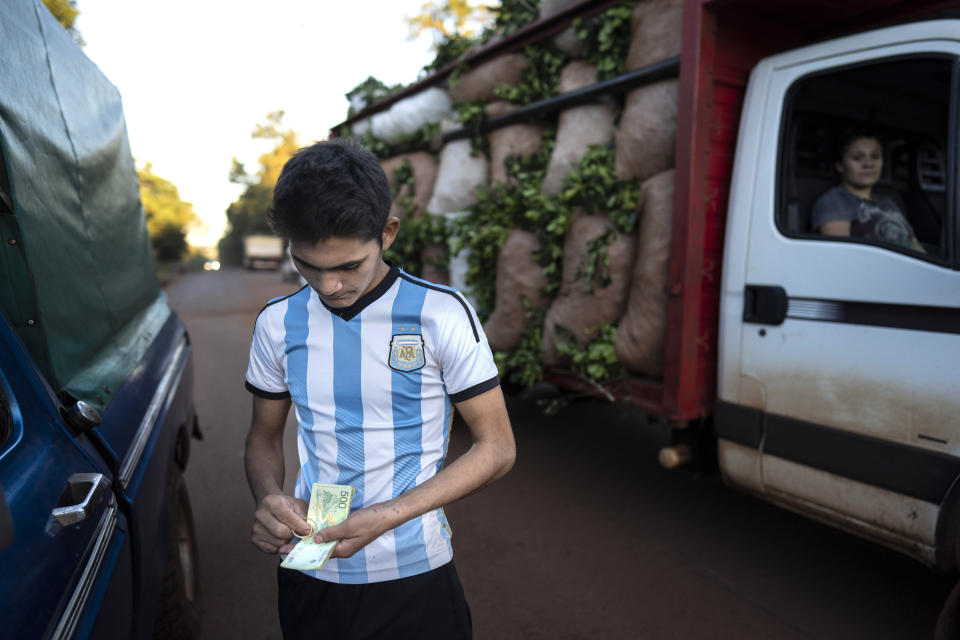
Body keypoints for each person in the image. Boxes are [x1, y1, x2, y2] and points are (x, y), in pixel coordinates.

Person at [243, 138, 516, 639]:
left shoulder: (440, 314)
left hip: (415, 575)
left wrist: (384, 518)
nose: (329, 287)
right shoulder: (277, 324)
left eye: (348, 266)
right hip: (311, 571)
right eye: (309, 265)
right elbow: (262, 438)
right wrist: (270, 498)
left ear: (387, 233)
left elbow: (497, 448)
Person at [811, 132, 923, 252]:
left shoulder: (889, 201)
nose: (868, 164)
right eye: (857, 158)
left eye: (875, 156)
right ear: (840, 165)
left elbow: (914, 246)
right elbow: (841, 256)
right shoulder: (834, 202)